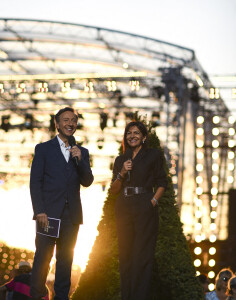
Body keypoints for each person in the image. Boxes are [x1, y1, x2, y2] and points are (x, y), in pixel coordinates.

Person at [29, 107, 94, 300]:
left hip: (71, 216)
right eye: (65, 120)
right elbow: (35, 182)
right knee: (43, 259)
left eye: (73, 120)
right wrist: (39, 210)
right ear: (57, 124)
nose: (70, 123)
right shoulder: (43, 149)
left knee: (65, 261)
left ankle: (62, 297)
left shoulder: (82, 151)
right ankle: (37, 295)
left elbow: (88, 181)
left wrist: (80, 160)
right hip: (48, 215)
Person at [110, 120, 167, 300]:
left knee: (142, 256)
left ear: (143, 137)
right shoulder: (121, 159)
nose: (132, 136)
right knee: (125, 255)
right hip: (124, 206)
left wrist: (152, 202)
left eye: (136, 133)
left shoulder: (153, 155)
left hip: (144, 204)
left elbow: (162, 182)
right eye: (129, 133)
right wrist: (122, 173)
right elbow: (113, 189)